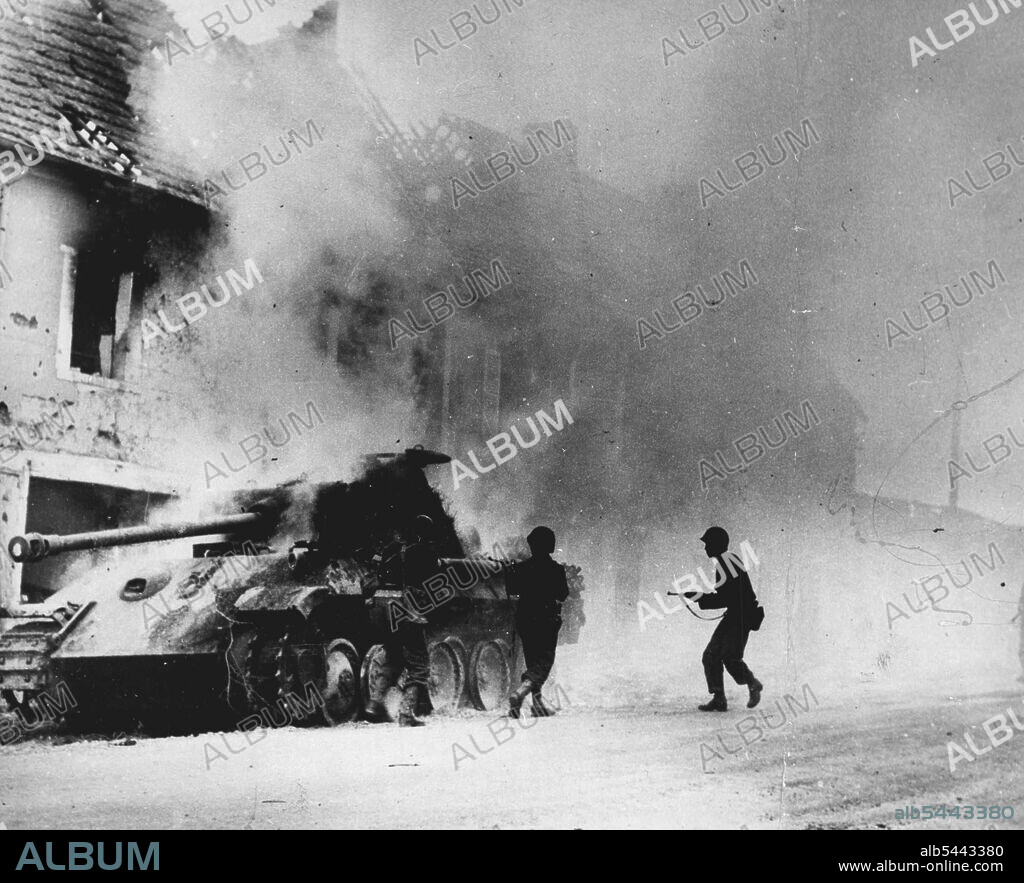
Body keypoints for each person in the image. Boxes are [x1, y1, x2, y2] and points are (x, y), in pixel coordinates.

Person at [365, 514, 438, 727]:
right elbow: (433, 581)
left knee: (393, 657)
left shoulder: (391, 549)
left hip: (383, 606)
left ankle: (375, 704)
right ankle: (406, 713)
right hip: (407, 609)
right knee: (419, 664)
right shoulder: (425, 551)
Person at [683, 526, 763, 712]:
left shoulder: (727, 563)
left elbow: (726, 598)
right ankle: (719, 698)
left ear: (717, 545)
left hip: (741, 616)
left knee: (730, 657)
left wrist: (699, 597)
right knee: (711, 655)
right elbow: (726, 596)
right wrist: (700, 596)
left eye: (708, 544)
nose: (705, 548)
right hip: (736, 615)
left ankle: (752, 683)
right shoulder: (726, 561)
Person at [507, 526, 569, 718]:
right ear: (550, 546)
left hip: (526, 619)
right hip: (546, 620)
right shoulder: (556, 569)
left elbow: (512, 589)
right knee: (544, 661)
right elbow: (563, 594)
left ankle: (537, 703)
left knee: (532, 659)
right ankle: (521, 692)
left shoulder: (521, 568)